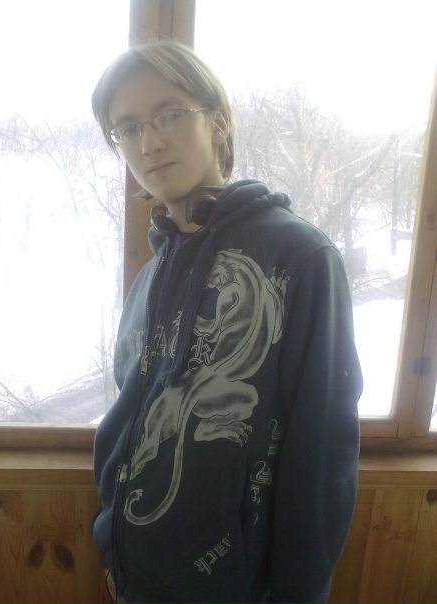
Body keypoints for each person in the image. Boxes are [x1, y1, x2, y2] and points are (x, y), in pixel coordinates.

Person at [91, 39, 362, 604]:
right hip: (132, 577)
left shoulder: (299, 259)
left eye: (168, 115)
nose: (149, 142)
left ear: (218, 121)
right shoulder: (150, 277)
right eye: (128, 128)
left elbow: (322, 451)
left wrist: (298, 594)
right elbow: (133, 417)